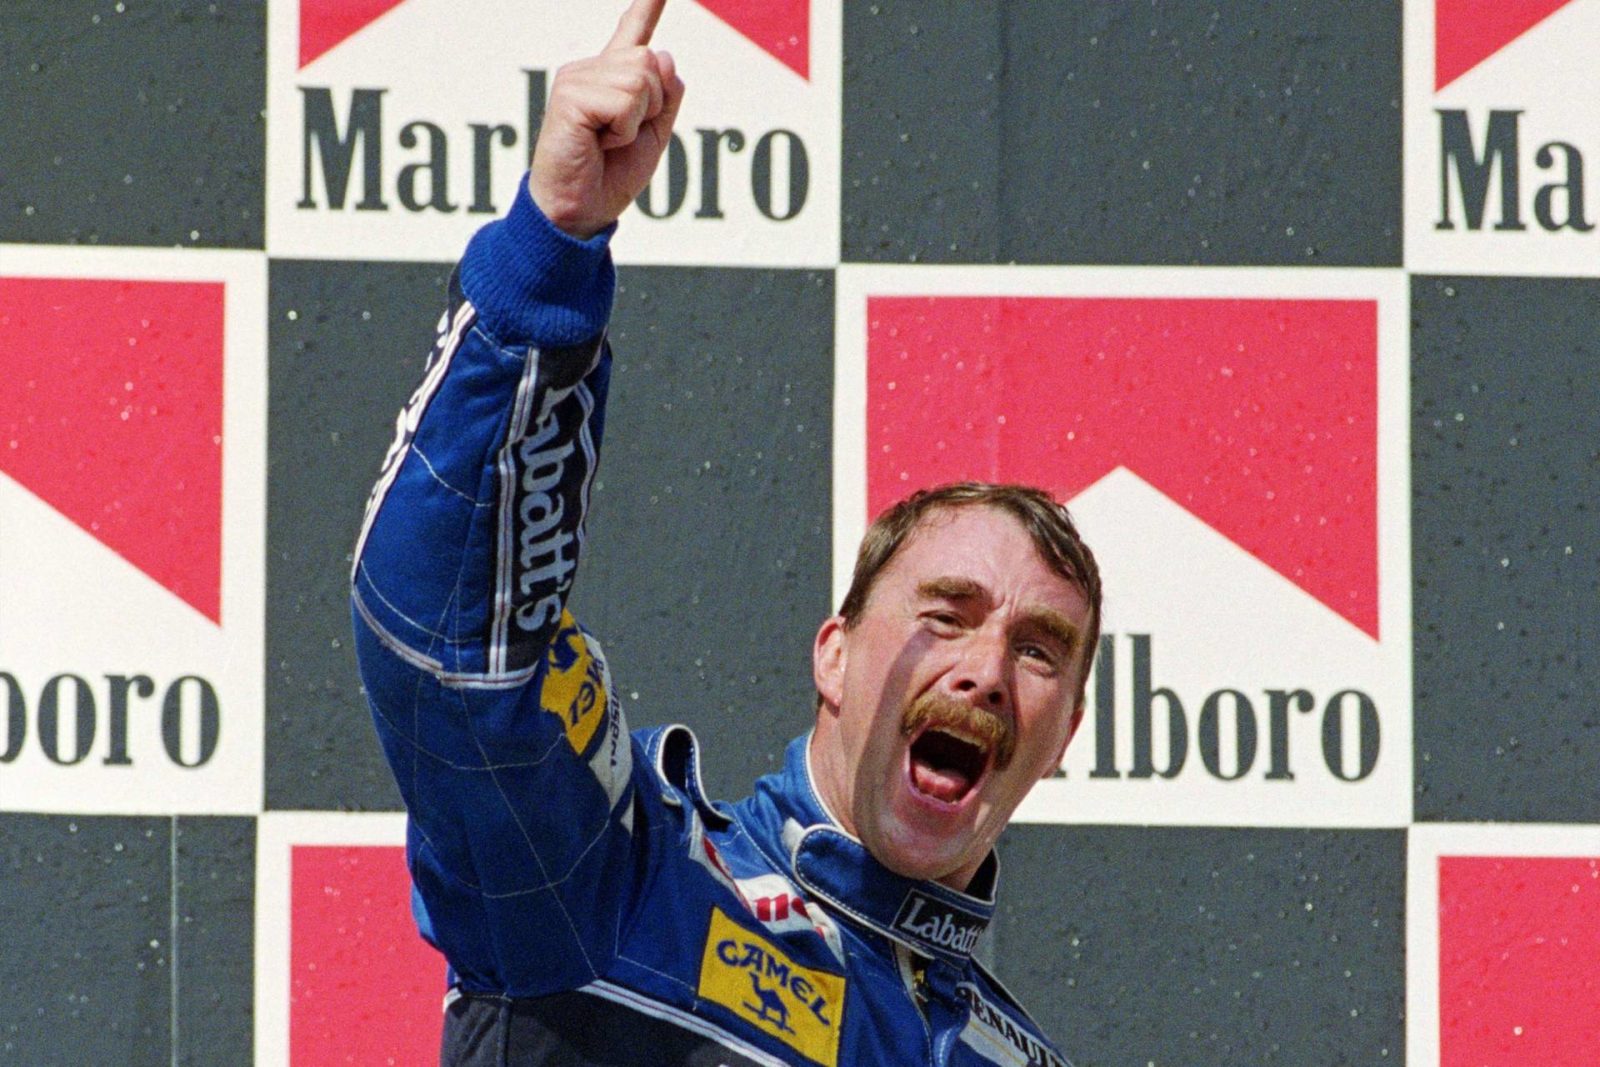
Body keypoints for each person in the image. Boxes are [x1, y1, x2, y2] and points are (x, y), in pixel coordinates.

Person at [351, 1, 1101, 1063]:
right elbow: (447, 652)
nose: (986, 669)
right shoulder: (630, 879)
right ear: (833, 655)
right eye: (947, 613)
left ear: (1063, 732)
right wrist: (552, 245)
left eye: (1037, 649)